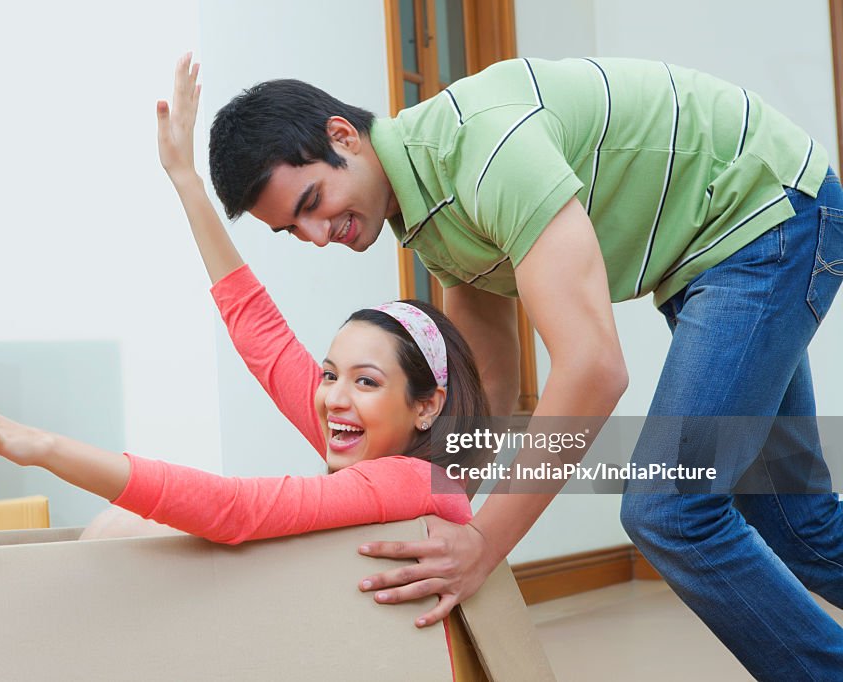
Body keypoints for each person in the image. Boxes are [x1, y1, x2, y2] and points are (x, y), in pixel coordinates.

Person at [206, 55, 843, 679]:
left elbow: (593, 368)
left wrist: (485, 544)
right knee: (793, 517)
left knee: (670, 507)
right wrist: (442, 517)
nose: (318, 235)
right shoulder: (428, 212)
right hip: (723, 244)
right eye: (294, 228)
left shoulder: (480, 151)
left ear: (342, 136)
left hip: (768, 211)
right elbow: (490, 385)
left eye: (314, 200)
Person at [0, 53, 488, 563]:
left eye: (365, 381)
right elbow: (259, 333)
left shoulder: (410, 481)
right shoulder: (381, 448)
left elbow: (234, 509)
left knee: (123, 531)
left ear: (425, 407)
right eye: (330, 374)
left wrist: (46, 448)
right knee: (124, 531)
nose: (334, 395)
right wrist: (185, 179)